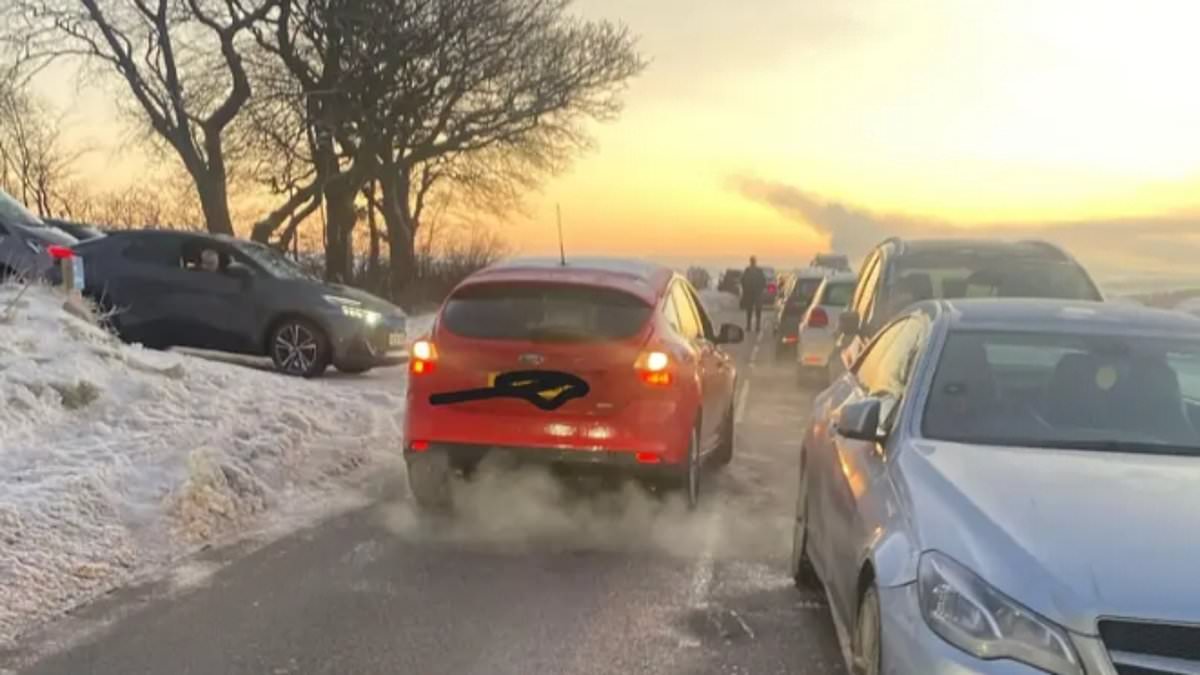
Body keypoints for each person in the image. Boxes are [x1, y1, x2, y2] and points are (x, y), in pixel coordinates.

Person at [740, 255, 767, 332]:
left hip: (750, 293)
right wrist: (761, 289)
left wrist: (745, 290)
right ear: (755, 262)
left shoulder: (747, 270)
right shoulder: (758, 271)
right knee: (757, 310)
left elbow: (742, 281)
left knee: (749, 310)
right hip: (756, 293)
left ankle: (749, 326)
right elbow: (763, 281)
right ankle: (757, 326)